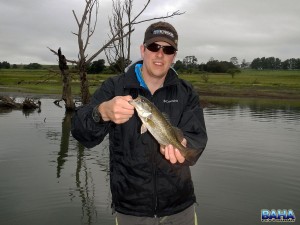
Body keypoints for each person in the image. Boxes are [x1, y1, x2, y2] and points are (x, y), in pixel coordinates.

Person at [71, 21, 208, 225]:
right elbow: (80, 131)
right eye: (154, 47)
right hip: (131, 211)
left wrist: (185, 146)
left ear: (174, 56)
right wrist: (101, 113)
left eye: (168, 49)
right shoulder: (115, 86)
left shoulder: (186, 92)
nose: (160, 54)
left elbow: (197, 139)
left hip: (180, 208)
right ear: (143, 50)